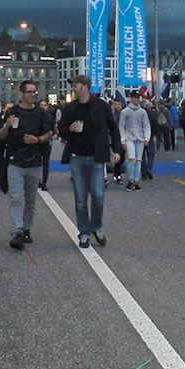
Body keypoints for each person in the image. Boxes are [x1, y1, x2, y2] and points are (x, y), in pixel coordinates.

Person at [59, 75, 120, 248]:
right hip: (77, 157)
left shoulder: (101, 106)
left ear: (85, 87)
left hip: (97, 157)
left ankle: (96, 227)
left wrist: (116, 150)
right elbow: (61, 129)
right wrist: (69, 129)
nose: (73, 88)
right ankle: (84, 233)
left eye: (76, 86)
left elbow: (113, 129)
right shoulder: (70, 108)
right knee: (80, 198)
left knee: (98, 195)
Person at [0, 81, 54, 249]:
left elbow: (50, 133)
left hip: (34, 161)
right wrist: (6, 126)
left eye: (34, 92)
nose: (32, 95)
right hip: (15, 161)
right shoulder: (13, 112)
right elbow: (1, 136)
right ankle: (16, 232)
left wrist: (37, 140)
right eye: (29, 92)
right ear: (21, 93)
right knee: (16, 198)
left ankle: (26, 228)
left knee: (30, 200)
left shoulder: (41, 113)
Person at [119, 90, 151, 191]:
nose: (138, 99)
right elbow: (121, 126)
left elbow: (146, 126)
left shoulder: (142, 111)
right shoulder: (125, 111)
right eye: (136, 97)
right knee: (131, 158)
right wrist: (123, 140)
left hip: (139, 138)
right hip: (129, 137)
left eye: (138, 97)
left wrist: (147, 138)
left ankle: (135, 181)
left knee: (138, 160)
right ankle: (130, 179)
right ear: (132, 98)